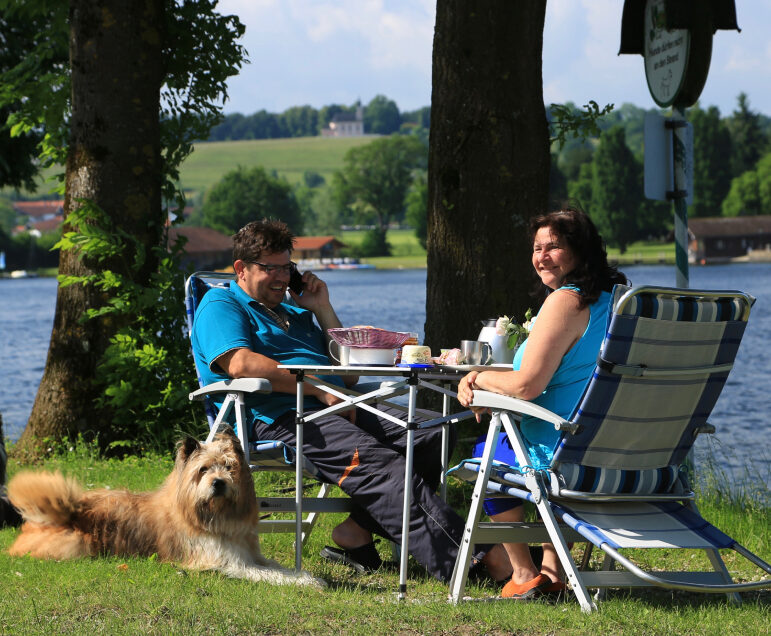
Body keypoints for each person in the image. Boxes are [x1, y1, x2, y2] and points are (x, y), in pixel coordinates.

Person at [191, 219, 511, 583]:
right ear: (241, 269)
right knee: (379, 465)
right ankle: (473, 562)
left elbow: (348, 376)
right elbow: (241, 363)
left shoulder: (296, 313)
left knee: (432, 434)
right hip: (278, 414)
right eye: (270, 269)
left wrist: (321, 307)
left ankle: (356, 532)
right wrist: (317, 389)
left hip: (336, 403)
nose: (281, 278)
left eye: (287, 268)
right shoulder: (222, 302)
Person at [457, 206, 628, 599]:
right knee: (513, 442)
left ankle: (522, 574)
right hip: (612, 448)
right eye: (537, 248)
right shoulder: (618, 302)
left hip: (562, 449)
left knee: (491, 453)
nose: (541, 257)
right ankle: (553, 571)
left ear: (581, 251)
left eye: (554, 247)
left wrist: (477, 378)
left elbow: (527, 386)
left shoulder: (566, 301)